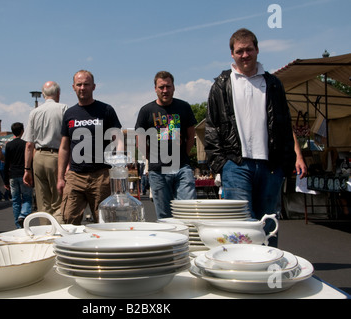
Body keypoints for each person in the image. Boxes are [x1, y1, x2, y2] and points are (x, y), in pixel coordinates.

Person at [205, 28, 296, 246]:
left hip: (270, 165)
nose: (245, 55)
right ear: (232, 54)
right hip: (236, 165)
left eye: (249, 50)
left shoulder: (273, 83)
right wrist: (221, 164)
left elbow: (284, 125)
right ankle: (242, 270)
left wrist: (286, 164)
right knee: (240, 225)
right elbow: (212, 126)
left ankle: (268, 268)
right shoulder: (221, 84)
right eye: (239, 51)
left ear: (257, 49)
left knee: (268, 223)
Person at [57, 70, 123, 225]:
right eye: (79, 84)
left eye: (86, 84)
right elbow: (64, 147)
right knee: (68, 219)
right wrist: (60, 177)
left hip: (101, 176)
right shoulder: (69, 114)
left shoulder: (106, 110)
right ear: (73, 87)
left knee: (105, 221)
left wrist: (118, 168)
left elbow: (118, 139)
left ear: (93, 87)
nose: (82, 88)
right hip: (75, 176)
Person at [135, 71, 198, 220]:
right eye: (161, 87)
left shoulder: (184, 107)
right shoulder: (146, 111)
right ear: (155, 89)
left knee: (188, 211)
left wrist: (185, 156)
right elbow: (140, 140)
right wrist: (151, 158)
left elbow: (191, 137)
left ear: (173, 88)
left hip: (182, 167)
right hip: (158, 171)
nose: (165, 90)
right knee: (164, 216)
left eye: (168, 87)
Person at [23, 81, 68, 224]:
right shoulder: (64, 109)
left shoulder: (34, 112)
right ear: (58, 94)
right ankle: (59, 233)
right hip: (57, 156)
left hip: (38, 157)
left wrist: (27, 169)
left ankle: (44, 232)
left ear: (43, 95)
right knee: (58, 201)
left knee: (43, 202)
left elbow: (29, 144)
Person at [4, 122, 33, 228]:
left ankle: (18, 224)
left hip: (12, 175)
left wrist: (5, 180)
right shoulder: (25, 144)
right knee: (27, 198)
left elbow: (6, 164)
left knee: (15, 200)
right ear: (22, 131)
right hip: (24, 173)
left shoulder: (9, 145)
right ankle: (23, 215)